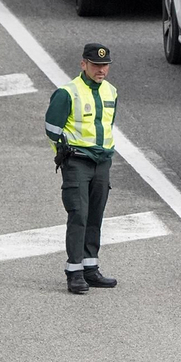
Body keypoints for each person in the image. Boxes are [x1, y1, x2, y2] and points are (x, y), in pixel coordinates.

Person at [44, 43, 120, 295]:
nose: (101, 70)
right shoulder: (67, 93)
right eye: (96, 65)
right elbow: (52, 129)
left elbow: (107, 125)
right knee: (79, 214)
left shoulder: (111, 92)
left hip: (102, 162)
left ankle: (90, 268)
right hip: (77, 162)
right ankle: (74, 272)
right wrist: (65, 152)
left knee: (95, 215)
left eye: (105, 65)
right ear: (83, 64)